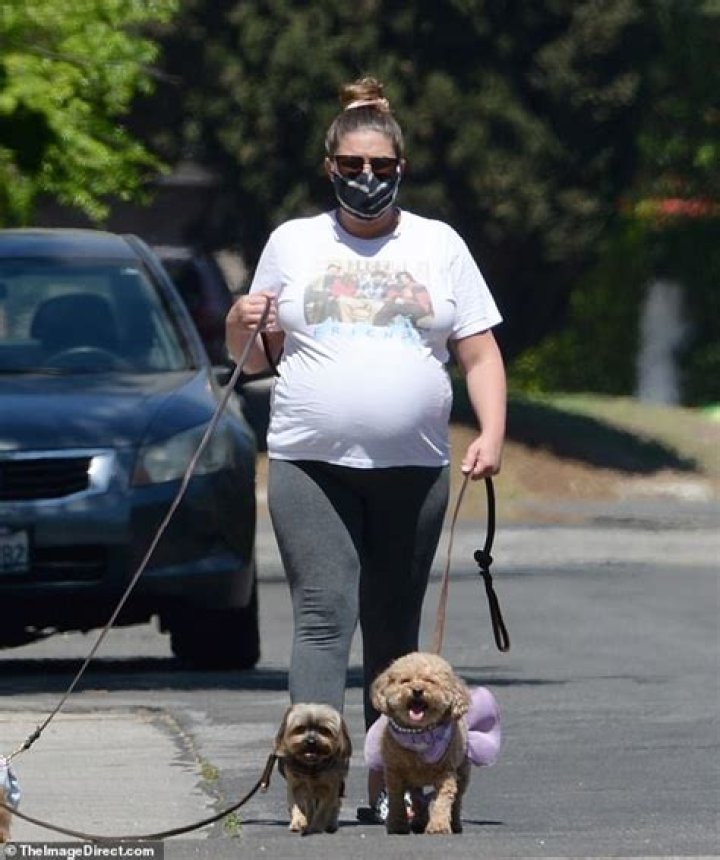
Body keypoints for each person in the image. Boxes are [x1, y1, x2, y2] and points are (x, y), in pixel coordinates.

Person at [225, 75, 506, 822]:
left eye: (380, 167)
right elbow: (256, 358)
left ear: (400, 168)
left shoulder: (440, 244)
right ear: (331, 168)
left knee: (392, 624)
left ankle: (396, 781)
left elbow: (479, 354)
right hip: (308, 462)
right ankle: (312, 786)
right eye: (352, 167)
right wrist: (238, 322)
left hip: (414, 469)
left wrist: (492, 433)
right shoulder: (293, 241)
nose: (367, 179)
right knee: (323, 611)